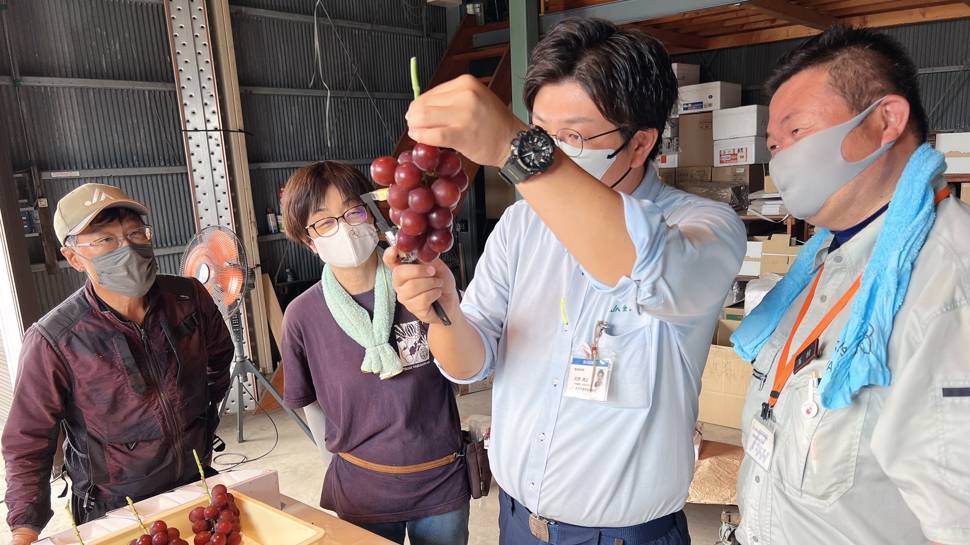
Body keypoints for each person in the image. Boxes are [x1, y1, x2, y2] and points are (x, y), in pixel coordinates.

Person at [389, 17, 746, 545]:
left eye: (571, 137)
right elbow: (471, 362)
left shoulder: (704, 229)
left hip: (624, 536)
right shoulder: (520, 224)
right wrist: (440, 308)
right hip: (517, 524)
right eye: (540, 133)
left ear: (640, 142)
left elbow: (646, 268)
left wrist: (519, 147)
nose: (551, 151)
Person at [729, 26, 970, 545]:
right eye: (774, 144)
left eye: (796, 133)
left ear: (886, 120)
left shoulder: (949, 284)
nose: (781, 158)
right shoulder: (822, 262)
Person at [2, 183, 233, 545]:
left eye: (135, 233)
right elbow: (27, 442)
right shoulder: (54, 339)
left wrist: (198, 420)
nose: (127, 247)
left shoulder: (188, 298)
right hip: (115, 508)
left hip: (196, 486)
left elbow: (220, 359)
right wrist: (24, 530)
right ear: (74, 257)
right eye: (105, 240)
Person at [278, 161, 470, 545]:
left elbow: (464, 371)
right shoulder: (302, 315)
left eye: (353, 211)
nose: (345, 227)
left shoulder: (421, 286)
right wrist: (332, 461)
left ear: (374, 213)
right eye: (324, 222)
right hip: (361, 490)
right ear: (308, 241)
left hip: (440, 482)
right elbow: (309, 402)